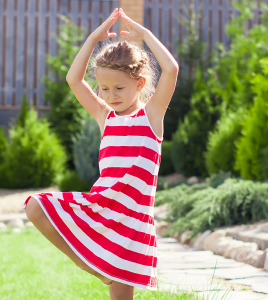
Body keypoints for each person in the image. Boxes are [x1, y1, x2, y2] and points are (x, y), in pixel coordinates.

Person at [24, 7, 178, 300]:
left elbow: (170, 69)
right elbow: (74, 79)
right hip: (102, 210)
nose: (111, 96)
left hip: (132, 222)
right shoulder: (105, 116)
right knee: (34, 206)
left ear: (140, 84)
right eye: (104, 88)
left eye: (119, 87)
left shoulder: (151, 116)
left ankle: (105, 270)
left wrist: (144, 35)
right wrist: (94, 38)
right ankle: (96, 268)